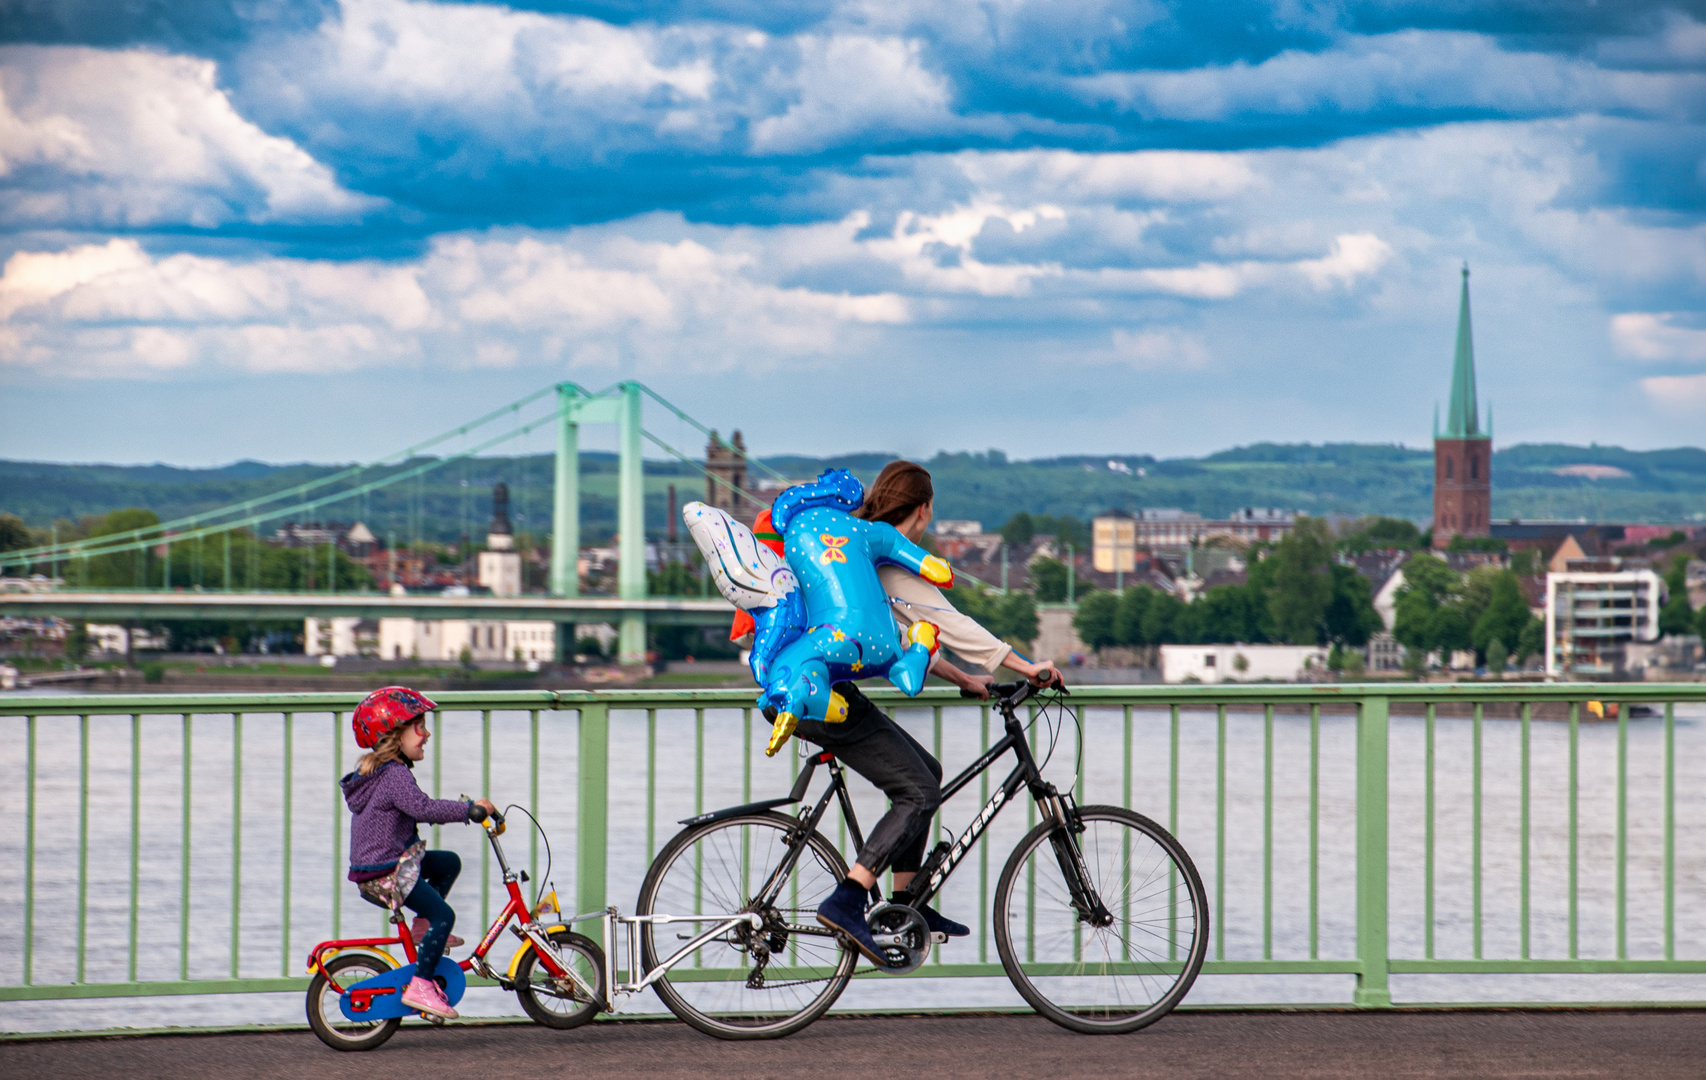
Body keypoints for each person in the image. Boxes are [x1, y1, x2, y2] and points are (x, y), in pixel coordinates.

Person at [793, 461, 1064, 965]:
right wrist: (1028, 667)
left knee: (928, 775)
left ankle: (902, 905)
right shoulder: (891, 560)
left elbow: (908, 639)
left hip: (812, 689)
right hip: (821, 697)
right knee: (918, 791)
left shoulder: (861, 546)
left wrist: (965, 680)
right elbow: (949, 623)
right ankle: (849, 897)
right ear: (924, 509)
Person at [342, 686, 497, 1020]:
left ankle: (421, 929)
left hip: (384, 866)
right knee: (445, 915)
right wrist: (468, 809)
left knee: (448, 863)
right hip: (387, 873)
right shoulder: (394, 774)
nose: (426, 734)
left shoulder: (381, 772)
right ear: (394, 734)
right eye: (419, 726)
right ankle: (421, 986)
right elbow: (421, 807)